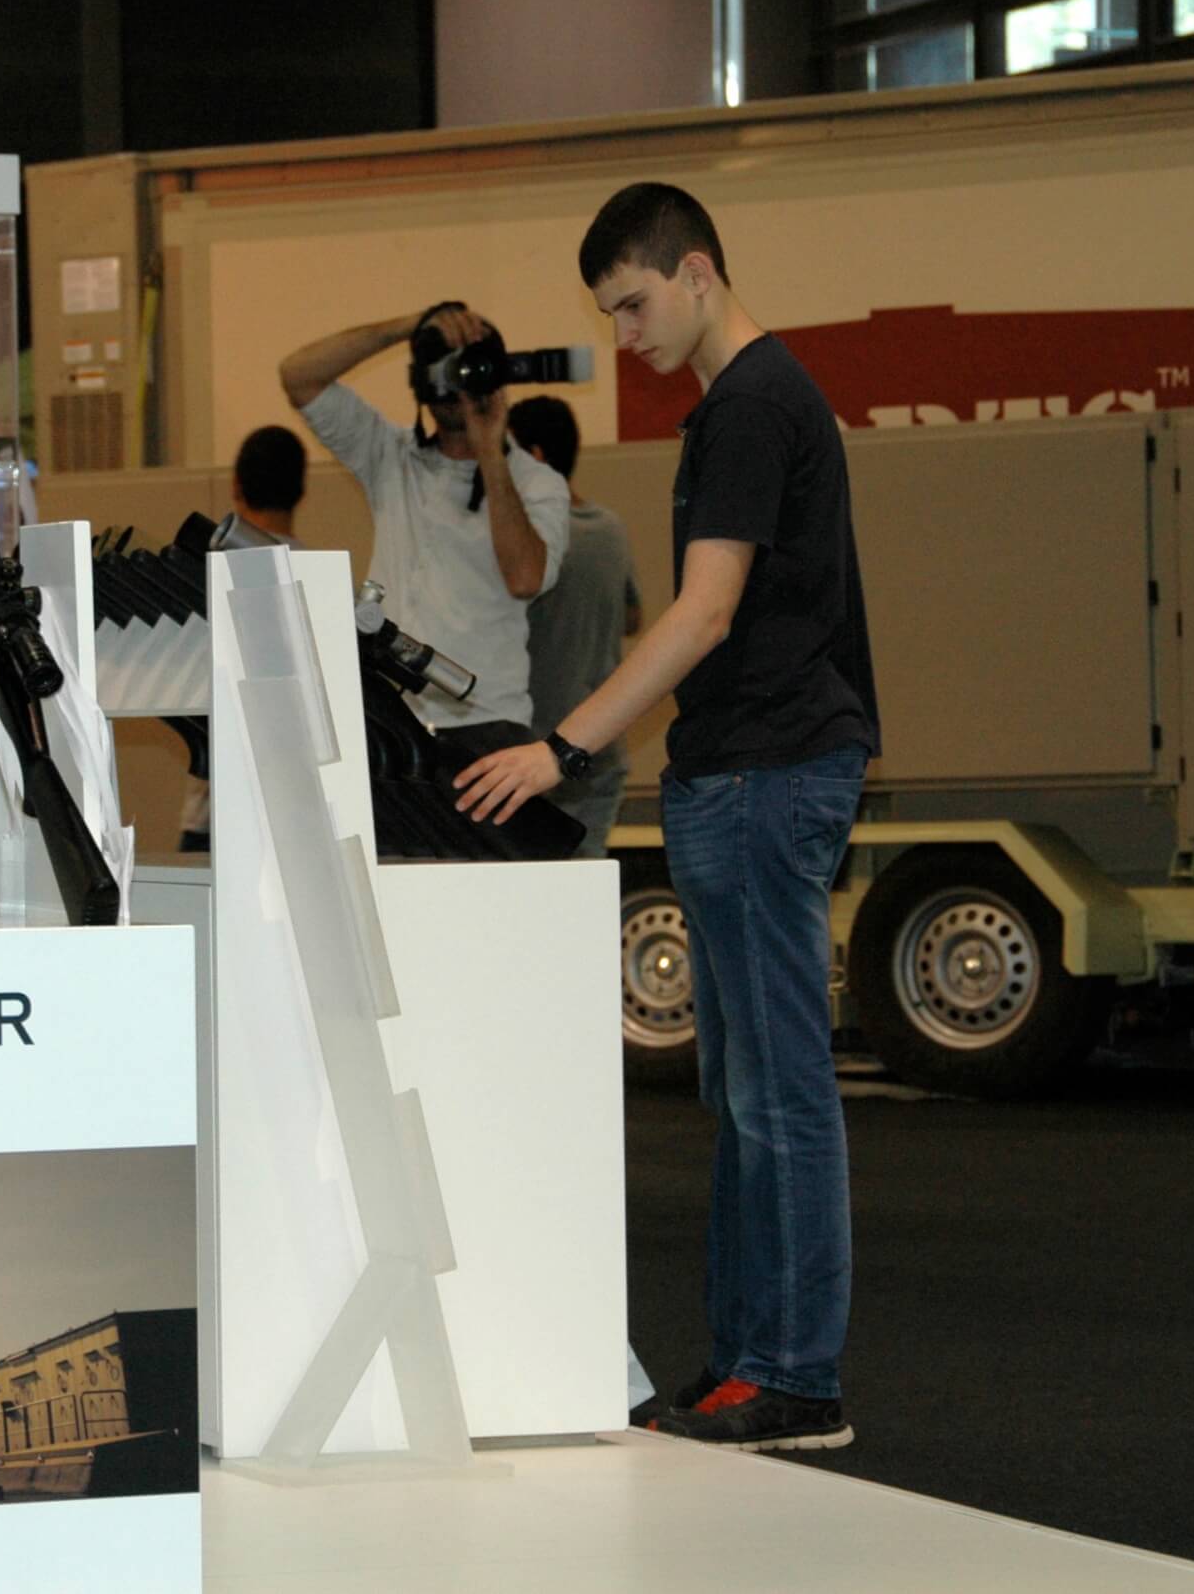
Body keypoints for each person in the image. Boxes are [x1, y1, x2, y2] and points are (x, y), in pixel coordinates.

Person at [456, 183, 880, 1452]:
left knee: (776, 1094)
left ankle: (792, 1377)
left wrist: (561, 748)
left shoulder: (750, 406)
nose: (624, 334)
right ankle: (753, 1365)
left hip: (766, 772)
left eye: (633, 304)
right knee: (747, 1093)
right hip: (743, 773)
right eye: (610, 313)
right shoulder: (740, 405)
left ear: (697, 272)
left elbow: (701, 613)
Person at [279, 302, 569, 755]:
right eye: (444, 370)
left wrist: (489, 450)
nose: (456, 385)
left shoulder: (537, 483)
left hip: (487, 726)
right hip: (390, 718)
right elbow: (298, 375)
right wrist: (411, 325)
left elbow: (525, 579)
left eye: (467, 369)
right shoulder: (390, 456)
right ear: (421, 382)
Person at [508, 396, 639, 859]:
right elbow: (632, 618)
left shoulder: (528, 545)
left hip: (534, 754)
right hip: (601, 750)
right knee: (584, 888)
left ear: (535, 456)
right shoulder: (610, 529)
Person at [179, 424, 312, 852]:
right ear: (300, 490)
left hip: (216, 807)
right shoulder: (317, 581)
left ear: (236, 486)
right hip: (295, 807)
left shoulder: (205, 578)